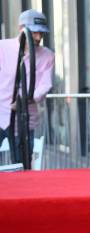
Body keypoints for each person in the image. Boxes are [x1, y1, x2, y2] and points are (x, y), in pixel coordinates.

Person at [0, 9, 54, 153]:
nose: (38, 37)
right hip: (1, 113)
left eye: (41, 33)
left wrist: (26, 100)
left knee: (22, 167)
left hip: (25, 120)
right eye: (35, 32)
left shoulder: (47, 56)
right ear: (21, 29)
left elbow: (45, 84)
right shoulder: (3, 48)